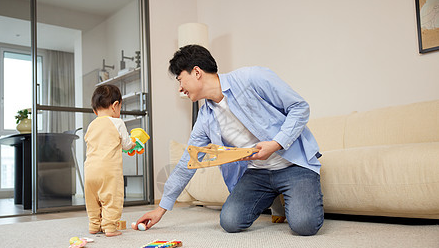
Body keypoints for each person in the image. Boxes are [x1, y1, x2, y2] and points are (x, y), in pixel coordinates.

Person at [135, 45, 324, 236]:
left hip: (293, 165)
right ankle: (274, 197)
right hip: (257, 173)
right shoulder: (205, 118)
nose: (180, 88)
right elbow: (188, 161)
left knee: (304, 226)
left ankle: (286, 194)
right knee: (230, 222)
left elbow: (300, 108)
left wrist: (276, 144)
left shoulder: (251, 78)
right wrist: (161, 209)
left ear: (197, 72)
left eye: (180, 79)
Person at [84, 84, 135, 237]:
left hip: (90, 170)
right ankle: (110, 227)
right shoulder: (117, 122)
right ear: (115, 106)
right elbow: (126, 144)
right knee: (112, 197)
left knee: (93, 200)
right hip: (109, 170)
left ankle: (94, 225)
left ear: (95, 110)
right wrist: (133, 143)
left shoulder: (91, 125)